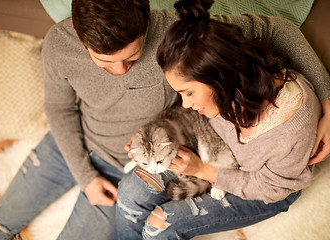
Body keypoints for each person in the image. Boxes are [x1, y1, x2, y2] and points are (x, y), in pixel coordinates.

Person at [0, 0, 330, 239]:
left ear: (146, 27)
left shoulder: (180, 36)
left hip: (130, 161)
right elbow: (59, 109)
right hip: (69, 143)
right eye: (104, 61)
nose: (119, 71)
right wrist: (84, 176)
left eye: (132, 57)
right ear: (82, 41)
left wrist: (328, 99)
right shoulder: (59, 44)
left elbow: (280, 30)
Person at [113, 0, 328, 239]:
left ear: (220, 78)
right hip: (219, 155)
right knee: (131, 189)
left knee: (160, 226)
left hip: (267, 187)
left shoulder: (289, 131)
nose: (186, 104)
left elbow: (271, 188)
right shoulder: (226, 85)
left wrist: (205, 171)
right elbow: (187, 117)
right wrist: (152, 136)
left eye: (189, 93)